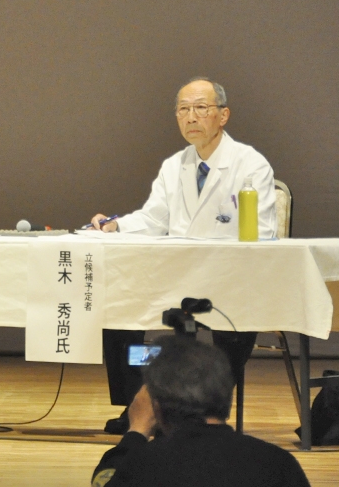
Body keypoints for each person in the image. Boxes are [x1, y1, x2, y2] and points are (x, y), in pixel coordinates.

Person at [89, 78, 277, 434]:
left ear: (223, 115)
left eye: (201, 108)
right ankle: (138, 404)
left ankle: (206, 411)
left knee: (232, 321)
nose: (191, 117)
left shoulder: (251, 164)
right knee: (117, 307)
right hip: (175, 277)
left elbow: (263, 233)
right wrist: (116, 225)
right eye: (183, 109)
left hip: (228, 279)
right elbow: (153, 219)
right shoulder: (174, 165)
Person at [91, 336, 311, 487]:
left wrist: (137, 430)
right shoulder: (278, 463)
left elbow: (107, 480)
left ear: (156, 407)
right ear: (226, 394)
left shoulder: (142, 464)